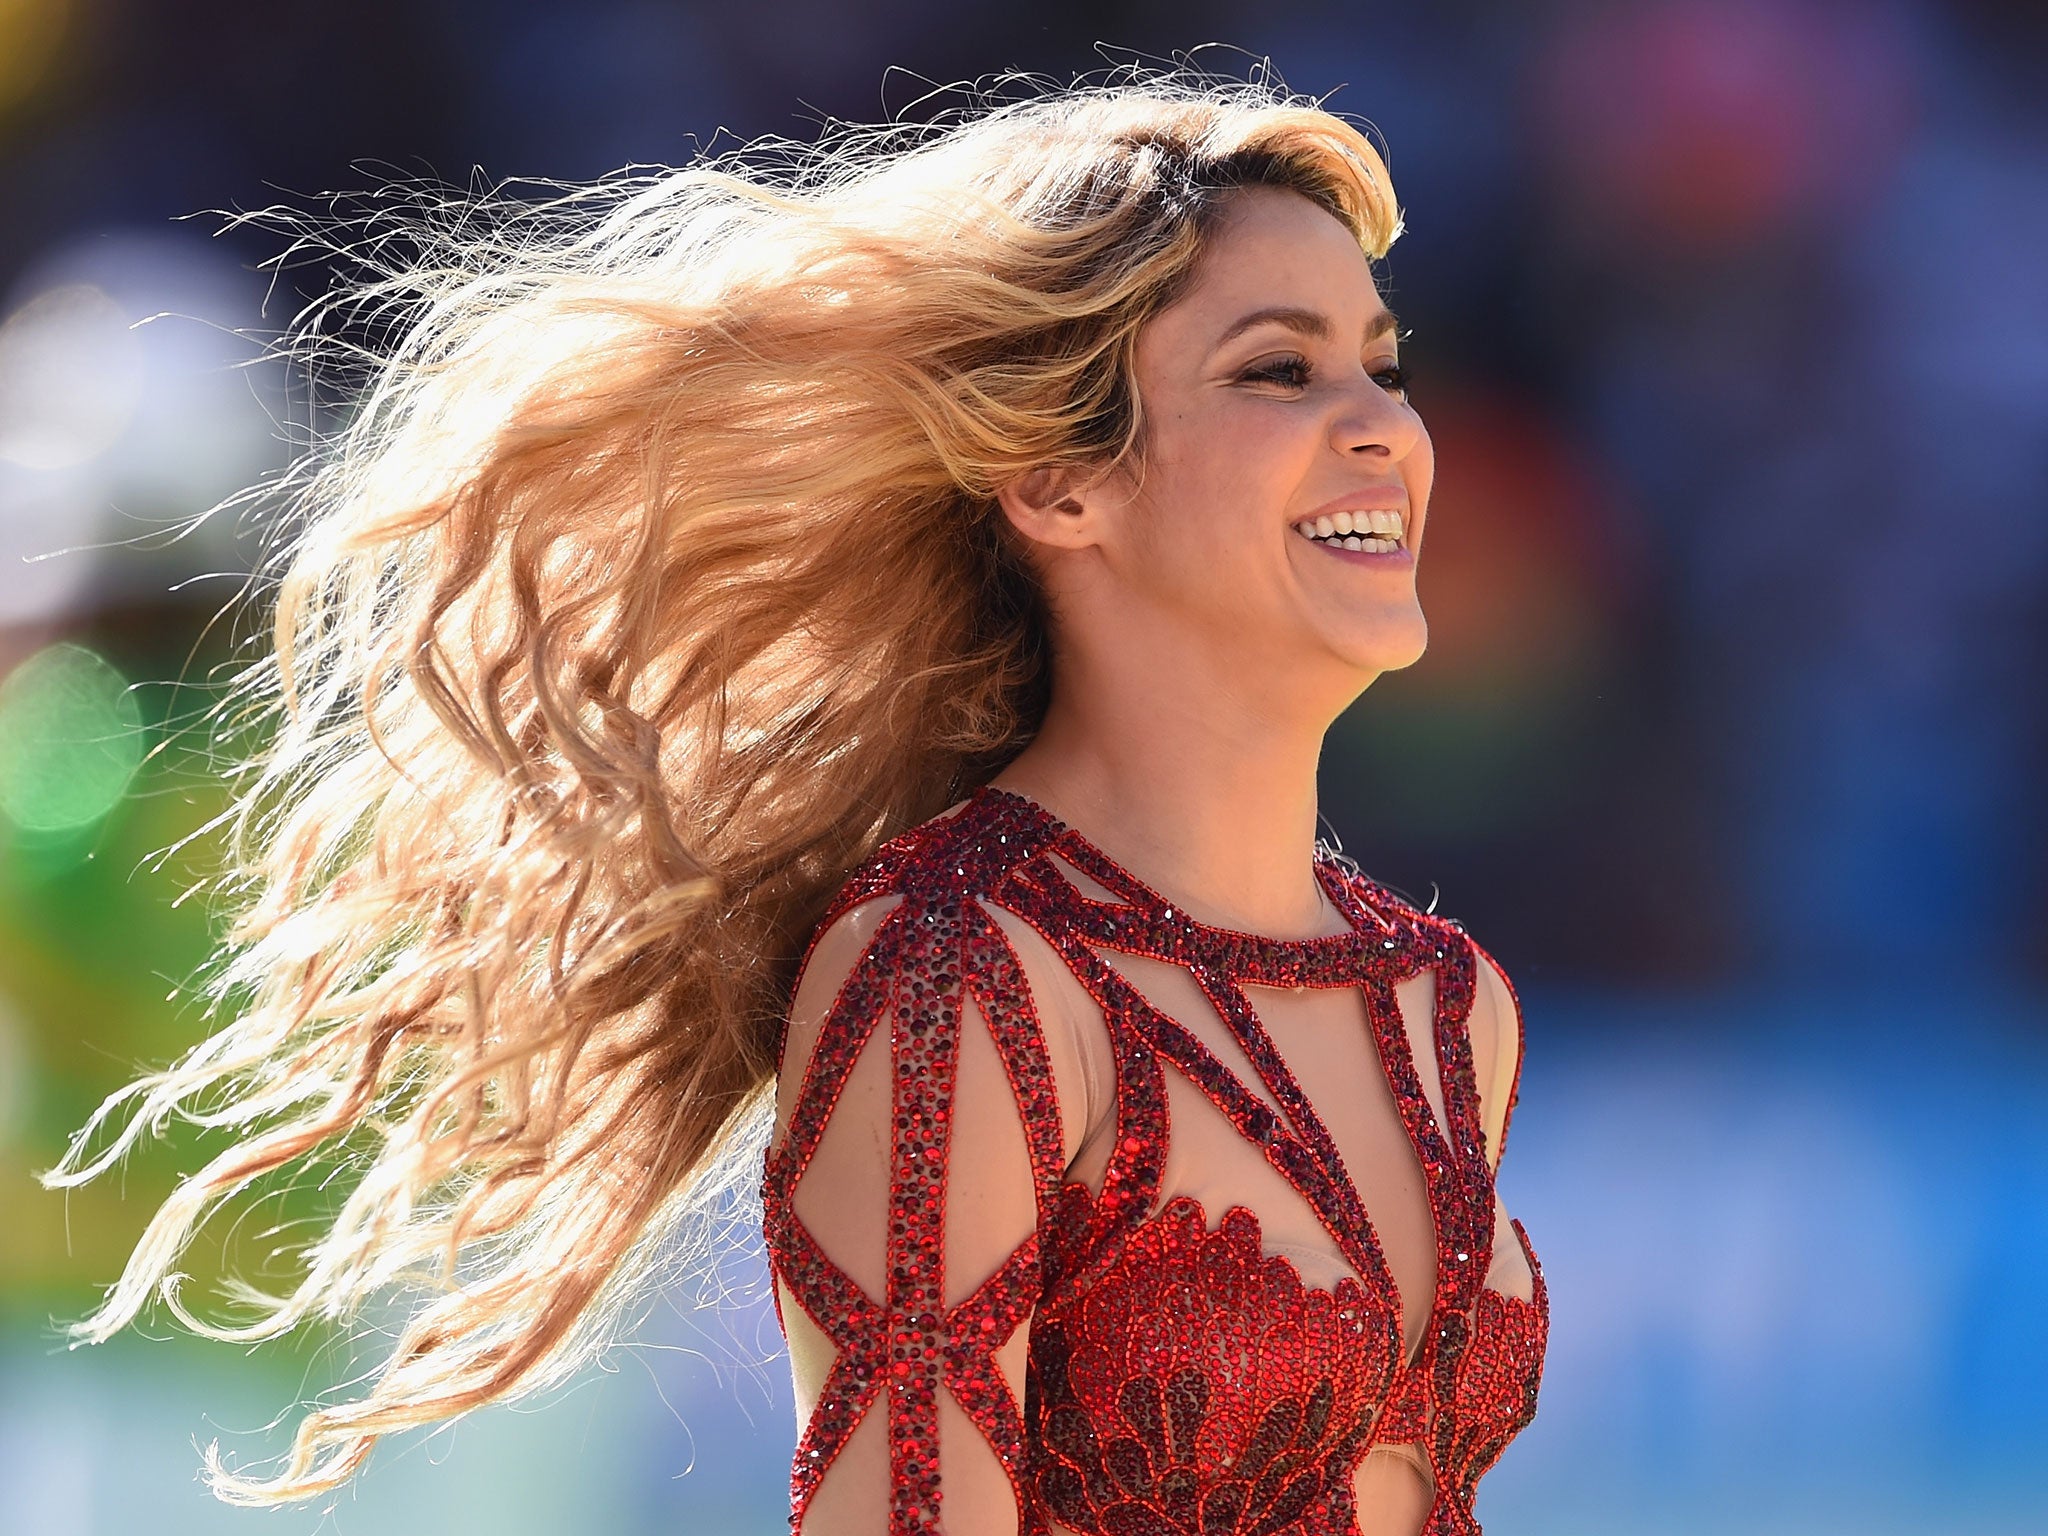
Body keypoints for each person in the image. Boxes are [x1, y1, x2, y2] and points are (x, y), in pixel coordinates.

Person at [44, 69, 1546, 1535]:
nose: (1385, 429)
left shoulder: (1445, 1009)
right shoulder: (965, 966)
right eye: (1280, 369)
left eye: (1384, 367)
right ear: (1059, 480)